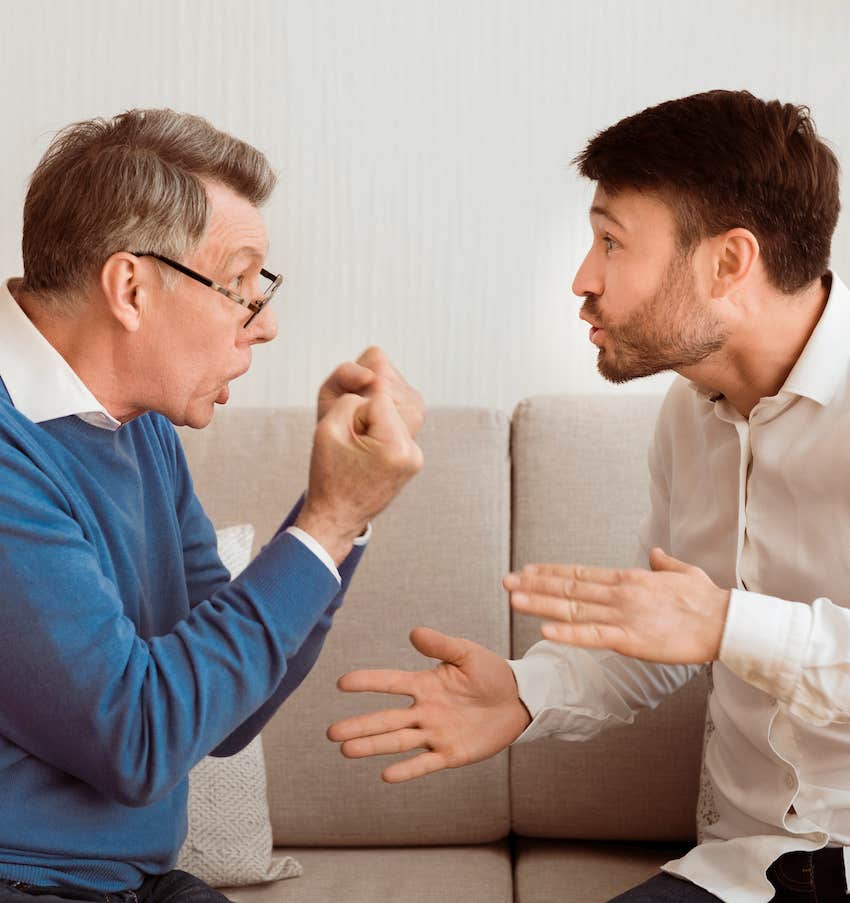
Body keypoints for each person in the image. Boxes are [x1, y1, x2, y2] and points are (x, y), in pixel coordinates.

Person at [327, 90, 850, 903]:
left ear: (729, 261)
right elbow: (659, 639)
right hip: (744, 873)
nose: (584, 277)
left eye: (612, 242)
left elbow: (704, 624)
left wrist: (728, 624)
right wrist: (525, 690)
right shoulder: (689, 414)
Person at [0, 109, 425, 902]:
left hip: (133, 883)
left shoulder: (137, 426)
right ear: (130, 288)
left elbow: (225, 718)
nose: (264, 325)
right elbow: (141, 736)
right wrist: (324, 525)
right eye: (240, 285)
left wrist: (333, 521)